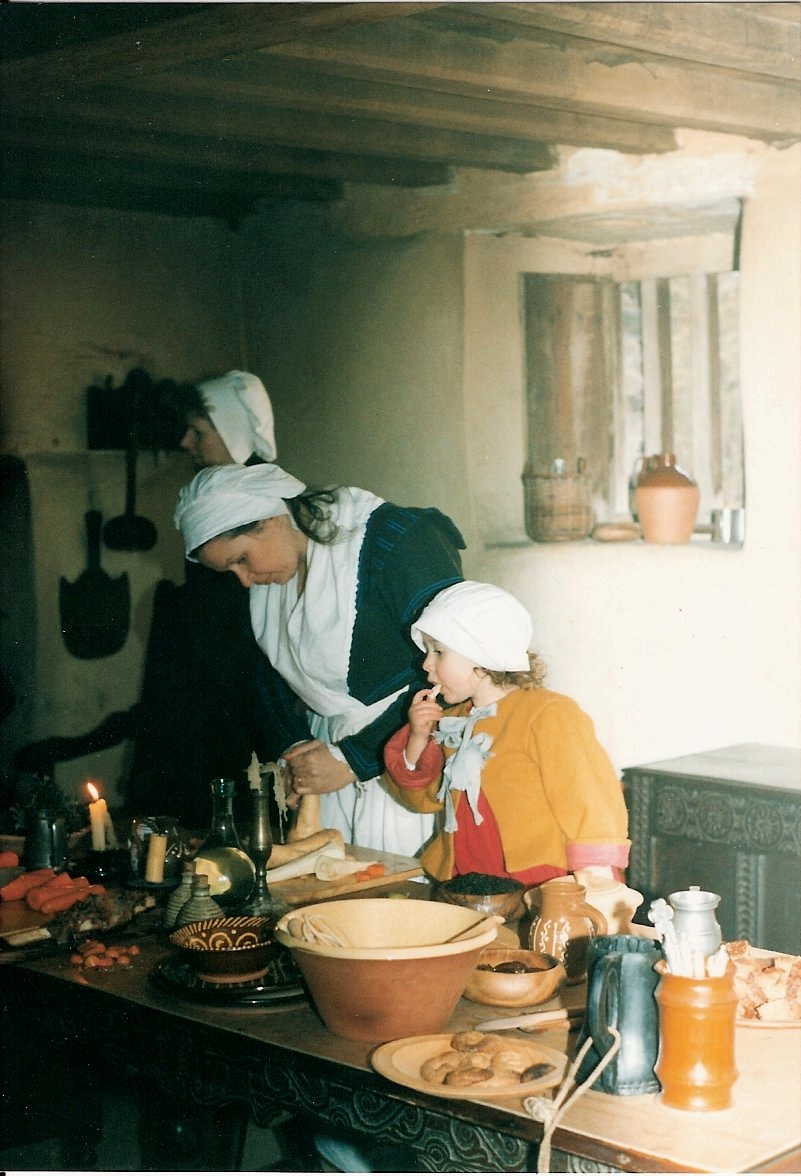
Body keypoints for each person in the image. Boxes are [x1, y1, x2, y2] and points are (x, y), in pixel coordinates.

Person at [174, 462, 465, 859]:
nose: (244, 579)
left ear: (270, 518)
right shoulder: (272, 581)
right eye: (231, 570)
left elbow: (455, 667)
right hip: (328, 766)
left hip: (407, 762)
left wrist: (356, 758)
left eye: (241, 559)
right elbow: (263, 674)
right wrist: (296, 752)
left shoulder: (398, 541)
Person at [126, 372, 309, 829]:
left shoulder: (267, 509)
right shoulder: (208, 502)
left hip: (251, 690)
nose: (186, 442)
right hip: (209, 686)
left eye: (198, 431)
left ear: (232, 428)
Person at [382, 580, 630, 883]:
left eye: (438, 652)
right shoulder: (452, 721)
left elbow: (590, 799)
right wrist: (418, 739)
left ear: (481, 653)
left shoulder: (547, 714)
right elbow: (423, 800)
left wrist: (596, 879)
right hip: (468, 880)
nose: (426, 664)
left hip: (538, 883)